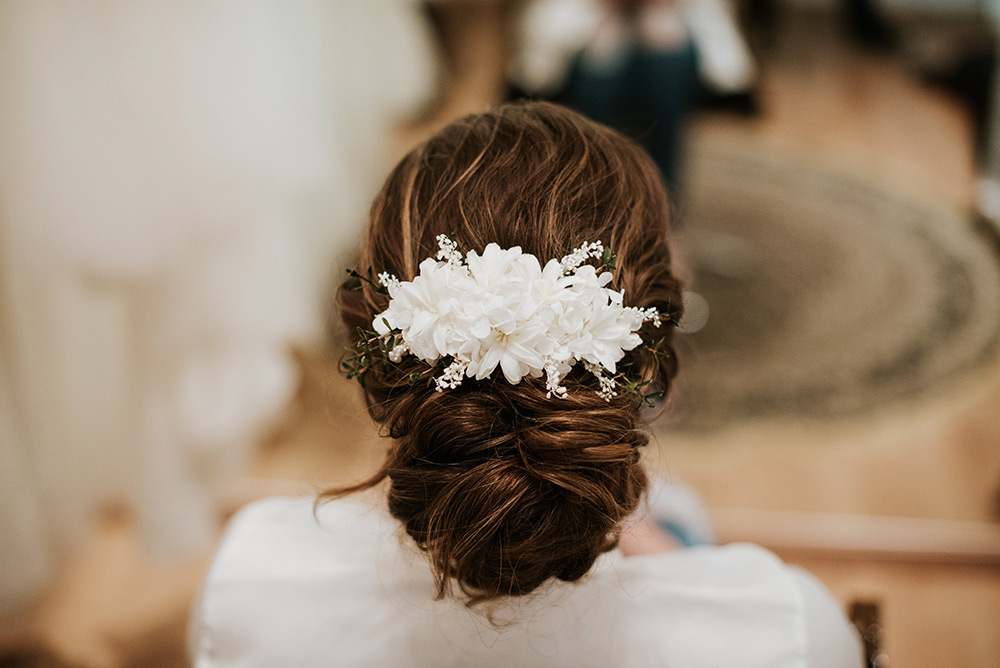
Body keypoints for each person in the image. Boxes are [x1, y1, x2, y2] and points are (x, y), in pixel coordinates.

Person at [189, 101, 862, 667]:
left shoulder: (250, 589)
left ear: (378, 366)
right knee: (679, 518)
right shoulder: (785, 633)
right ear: (650, 363)